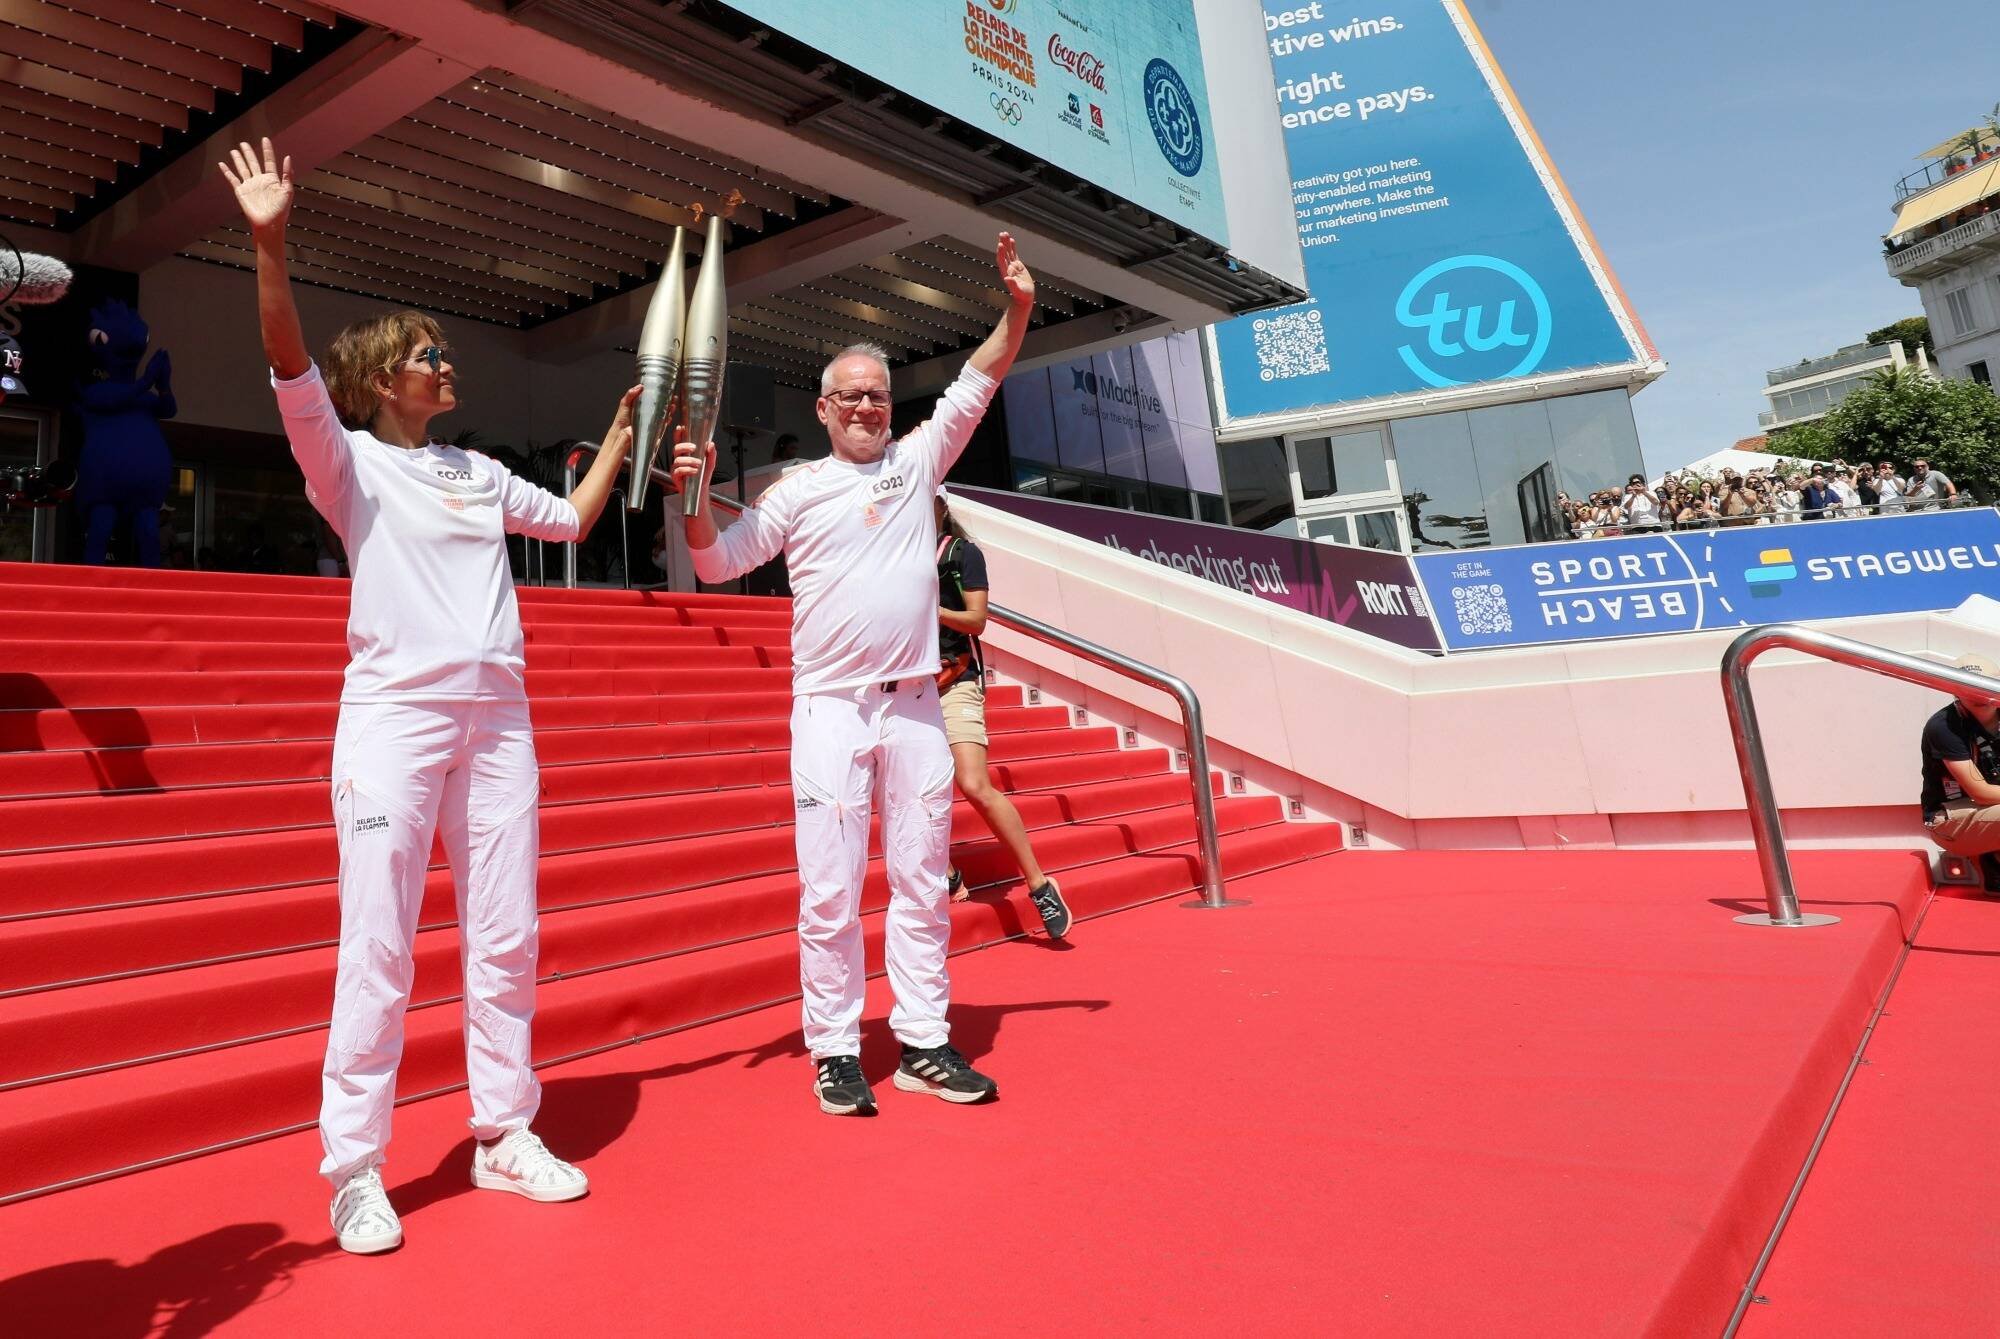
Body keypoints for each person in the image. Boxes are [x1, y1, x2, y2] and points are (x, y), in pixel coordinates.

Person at [222, 137, 638, 1253]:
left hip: (498, 721)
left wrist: (617, 441)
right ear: (379, 382)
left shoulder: (476, 471)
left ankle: (504, 1131)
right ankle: (355, 1166)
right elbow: (287, 362)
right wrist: (271, 247)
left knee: (507, 934)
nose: (445, 365)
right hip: (396, 722)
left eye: (443, 353)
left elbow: (572, 520)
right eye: (426, 356)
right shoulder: (348, 461)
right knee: (381, 944)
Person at [672, 232, 1036, 1118]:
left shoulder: (918, 464)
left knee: (921, 881)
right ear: (824, 409)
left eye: (878, 395)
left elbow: (980, 378)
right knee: (830, 890)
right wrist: (693, 502)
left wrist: (1019, 306)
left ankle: (923, 1042)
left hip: (915, 708)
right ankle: (835, 1049)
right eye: (852, 397)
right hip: (831, 710)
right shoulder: (796, 491)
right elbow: (717, 563)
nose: (869, 407)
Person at [933, 491, 1071, 938]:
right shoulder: (893, 553)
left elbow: (977, 620)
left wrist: (929, 608)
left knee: (974, 783)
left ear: (940, 507)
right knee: (907, 790)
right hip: (907, 689)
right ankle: (947, 872)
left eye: (923, 500)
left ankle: (1039, 883)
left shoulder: (961, 553)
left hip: (954, 680)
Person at [1921, 653, 2000, 892]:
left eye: (1984, 685)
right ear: (1954, 689)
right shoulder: (1944, 725)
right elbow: (1980, 792)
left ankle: (1993, 864)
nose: (1978, 694)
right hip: (1949, 821)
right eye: (1967, 686)